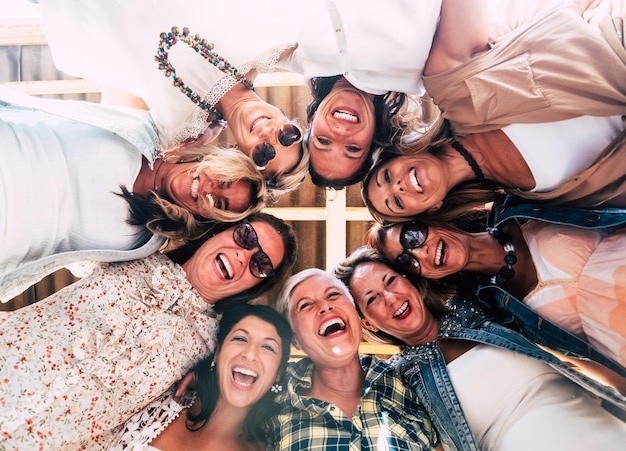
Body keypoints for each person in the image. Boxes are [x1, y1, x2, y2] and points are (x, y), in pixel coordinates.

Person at [0, 213, 297, 449]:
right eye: (245, 236)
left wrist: (207, 374)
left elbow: (246, 381)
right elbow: (54, 236)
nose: (244, 256)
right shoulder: (138, 246)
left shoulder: (210, 347)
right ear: (222, 229)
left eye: (260, 264)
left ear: (255, 286)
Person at [334, 246, 626, 451]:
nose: (390, 298)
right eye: (372, 299)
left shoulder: (474, 306)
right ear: (368, 323)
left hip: (607, 427)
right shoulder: (401, 380)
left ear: (409, 280)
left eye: (391, 281)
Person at [0, 85, 268, 302]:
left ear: (208, 216)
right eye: (222, 179)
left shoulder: (143, 243)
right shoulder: (143, 127)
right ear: (213, 161)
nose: (208, 190)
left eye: (219, 203)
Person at [36, 0, 309, 192]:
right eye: (287, 136)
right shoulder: (266, 41)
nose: (269, 135)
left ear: (245, 157)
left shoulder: (176, 124)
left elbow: (113, 121)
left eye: (265, 153)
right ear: (289, 119)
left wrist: (172, 147)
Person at [367, 201, 626, 372]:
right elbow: (588, 365)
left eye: (412, 236)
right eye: (407, 262)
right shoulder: (499, 315)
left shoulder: (517, 206)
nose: (421, 253)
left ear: (429, 217)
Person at [271, 268, 442, 450]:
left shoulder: (406, 382)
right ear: (295, 339)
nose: (325, 306)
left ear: (356, 314)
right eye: (305, 305)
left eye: (333, 294)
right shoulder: (272, 397)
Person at [363, 115, 626, 223]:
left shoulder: (460, 99)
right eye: (397, 202)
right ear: (432, 207)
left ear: (399, 155)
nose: (397, 186)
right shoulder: (533, 201)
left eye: (386, 176)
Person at [109, 303, 293, 451]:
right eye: (240, 339)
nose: (250, 355)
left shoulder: (274, 445)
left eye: (268, 347)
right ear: (218, 353)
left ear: (278, 373)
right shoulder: (163, 400)